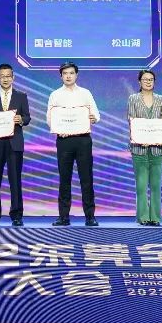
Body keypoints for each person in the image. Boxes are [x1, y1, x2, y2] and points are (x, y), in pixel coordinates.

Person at [47, 61, 101, 226]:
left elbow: (96, 114)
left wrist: (93, 118)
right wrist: (58, 128)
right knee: (64, 179)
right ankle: (63, 217)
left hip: (83, 140)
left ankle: (90, 216)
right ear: (61, 76)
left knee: (86, 178)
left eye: (71, 73)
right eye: (65, 73)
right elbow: (49, 118)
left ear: (76, 75)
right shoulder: (55, 95)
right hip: (64, 140)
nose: (68, 76)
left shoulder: (85, 93)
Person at [0, 64, 31, 227]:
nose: (5, 79)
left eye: (8, 76)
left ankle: (16, 216)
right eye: (2, 76)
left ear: (13, 77)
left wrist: (21, 120)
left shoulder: (21, 96)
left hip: (14, 143)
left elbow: (27, 117)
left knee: (15, 180)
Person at [127, 69, 162, 226]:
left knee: (156, 185)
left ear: (154, 81)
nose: (148, 81)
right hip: (139, 147)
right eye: (145, 79)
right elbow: (131, 120)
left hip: (158, 148)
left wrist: (161, 137)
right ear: (139, 82)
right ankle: (143, 217)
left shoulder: (161, 99)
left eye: (151, 79)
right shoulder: (133, 98)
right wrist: (140, 137)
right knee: (141, 185)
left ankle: (155, 218)